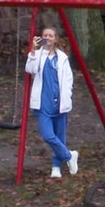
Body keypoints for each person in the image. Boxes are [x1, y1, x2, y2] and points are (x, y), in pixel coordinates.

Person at [24, 26, 79, 178]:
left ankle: (56, 167)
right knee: (48, 136)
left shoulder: (62, 58)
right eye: (45, 35)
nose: (47, 38)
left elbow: (68, 80)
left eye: (50, 35)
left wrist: (67, 96)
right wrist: (33, 51)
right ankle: (69, 156)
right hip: (43, 103)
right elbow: (30, 69)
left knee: (60, 136)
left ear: (55, 39)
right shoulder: (38, 55)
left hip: (60, 103)